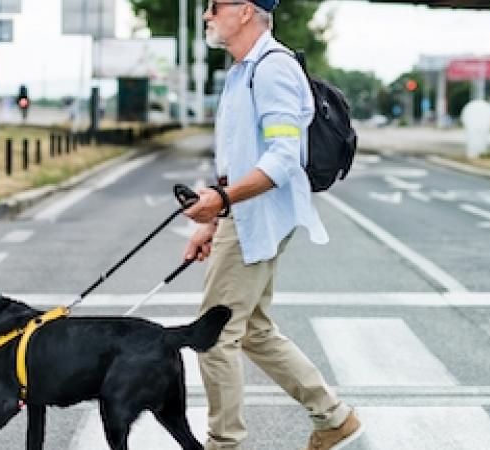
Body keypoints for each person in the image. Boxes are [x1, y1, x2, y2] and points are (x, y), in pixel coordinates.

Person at [181, 0, 362, 448]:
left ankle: (224, 444)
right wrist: (216, 215)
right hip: (243, 214)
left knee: (214, 336)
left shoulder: (273, 69)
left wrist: (223, 201)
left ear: (244, 11)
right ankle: (333, 417)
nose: (206, 14)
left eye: (214, 6)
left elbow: (284, 158)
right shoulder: (244, 70)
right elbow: (240, 156)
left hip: (257, 216)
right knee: (254, 330)